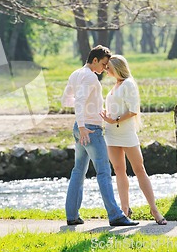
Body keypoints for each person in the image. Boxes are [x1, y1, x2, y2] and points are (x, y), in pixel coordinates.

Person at [61, 45, 138, 227]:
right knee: (103, 171)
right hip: (90, 130)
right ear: (94, 60)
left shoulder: (76, 73)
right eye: (103, 64)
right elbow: (79, 101)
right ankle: (116, 216)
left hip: (81, 127)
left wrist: (91, 109)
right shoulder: (89, 77)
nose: (105, 68)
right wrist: (83, 125)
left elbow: (66, 100)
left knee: (78, 170)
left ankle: (72, 215)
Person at [99, 55, 167, 225]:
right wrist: (106, 117)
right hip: (111, 134)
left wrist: (114, 120)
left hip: (126, 133)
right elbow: (115, 108)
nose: (106, 70)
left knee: (139, 169)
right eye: (105, 67)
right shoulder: (116, 85)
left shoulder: (128, 84)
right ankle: (124, 210)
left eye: (108, 67)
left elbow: (133, 110)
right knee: (119, 170)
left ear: (117, 67)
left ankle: (154, 210)